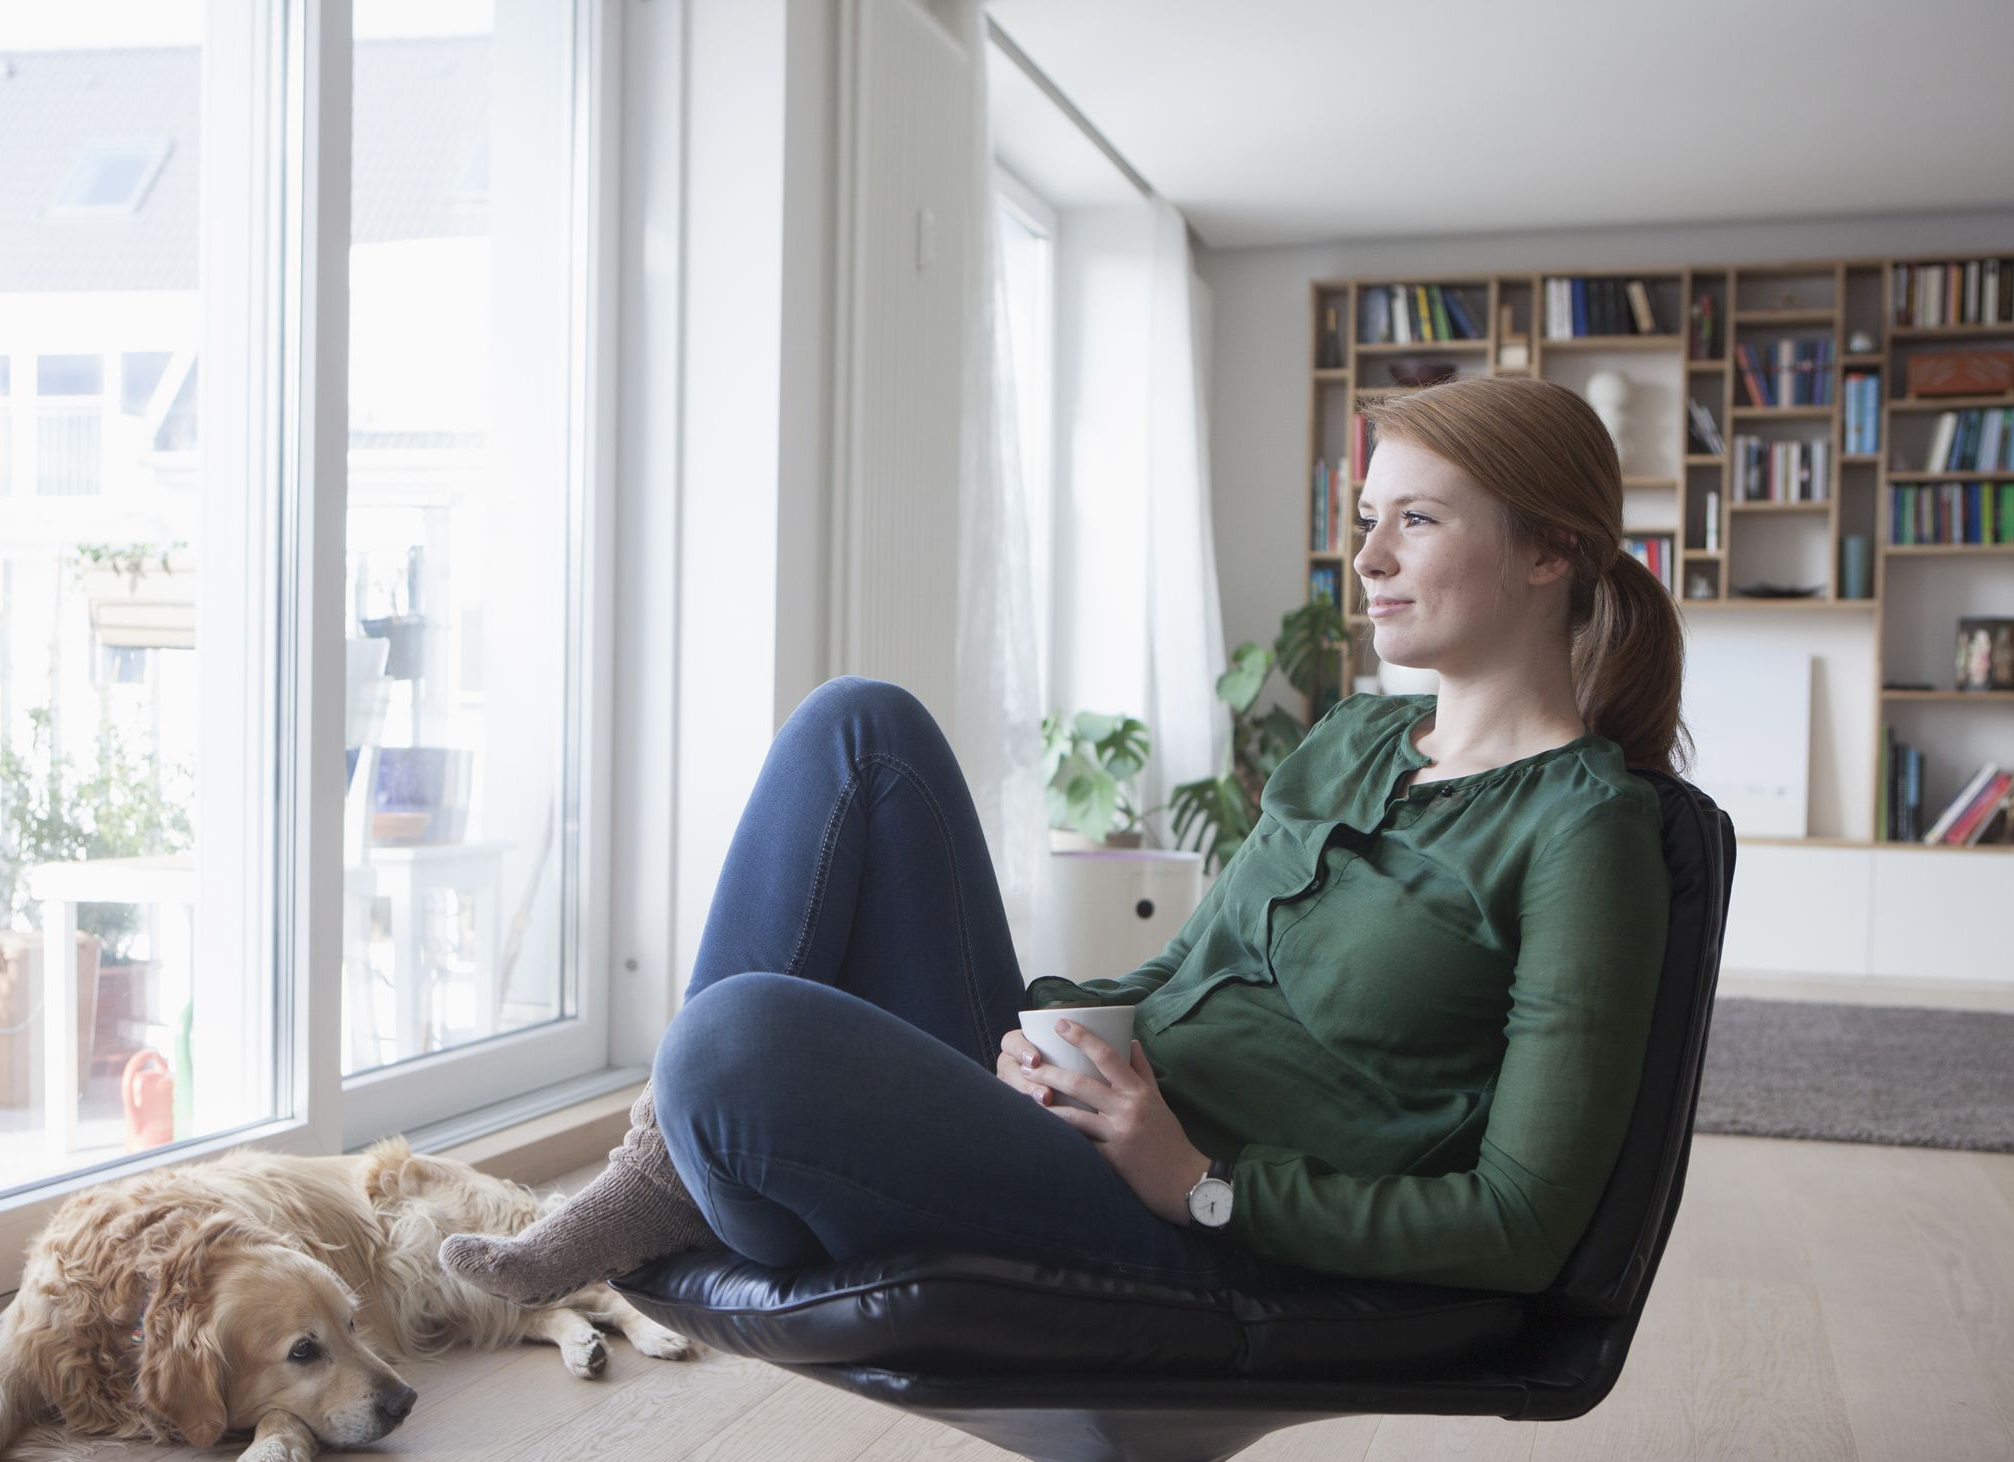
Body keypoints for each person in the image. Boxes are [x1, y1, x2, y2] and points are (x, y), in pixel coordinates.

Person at [439, 373, 1684, 1307]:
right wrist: (1052, 1041)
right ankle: (668, 1167)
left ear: (1549, 551)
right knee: (860, 729)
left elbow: (1523, 1223)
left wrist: (1201, 1183)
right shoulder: (1356, 737)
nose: (1366, 557)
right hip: (1086, 1116)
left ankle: (687, 1163)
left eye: (1416, 520)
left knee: (731, 1043)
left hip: (1180, 1217)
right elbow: (1190, 968)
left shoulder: (1586, 831)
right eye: (1368, 516)